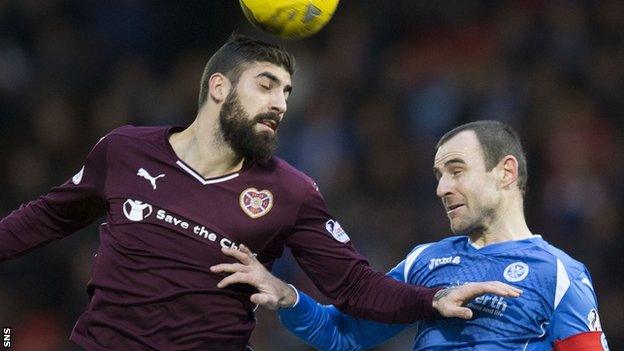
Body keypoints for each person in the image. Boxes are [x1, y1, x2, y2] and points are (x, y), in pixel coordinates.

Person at [0, 35, 520, 351]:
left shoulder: (291, 192)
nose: (281, 103)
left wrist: (432, 300)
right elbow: (44, 219)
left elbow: (356, 289)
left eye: (287, 92)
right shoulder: (125, 150)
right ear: (220, 87)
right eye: (266, 85)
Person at [214, 120, 610, 350]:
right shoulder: (426, 261)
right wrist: (287, 297)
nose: (442, 188)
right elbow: (344, 335)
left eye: (456, 170)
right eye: (439, 176)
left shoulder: (558, 275)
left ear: (505, 172)